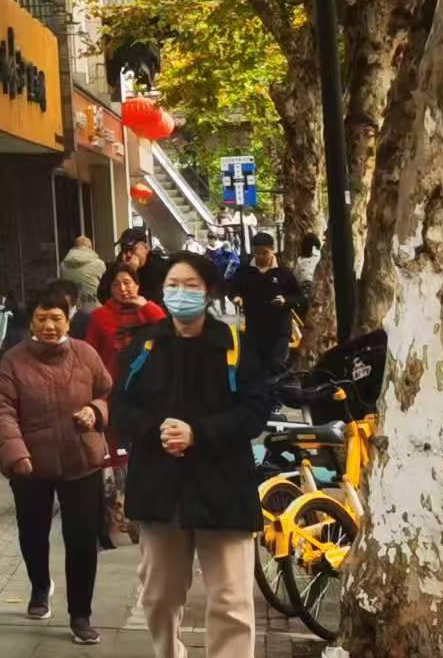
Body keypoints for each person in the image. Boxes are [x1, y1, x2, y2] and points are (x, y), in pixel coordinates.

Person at [111, 253, 270, 658]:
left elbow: (255, 411)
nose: (180, 293)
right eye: (173, 285)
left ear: (209, 292)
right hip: (160, 489)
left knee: (231, 602)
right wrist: (157, 430)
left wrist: (199, 433)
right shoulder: (145, 345)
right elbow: (119, 407)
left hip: (224, 488)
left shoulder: (234, 345)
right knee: (159, 596)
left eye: (191, 286)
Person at [0, 286, 115, 644]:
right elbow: (2, 408)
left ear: (68, 320)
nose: (49, 325)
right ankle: (40, 586)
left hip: (81, 461)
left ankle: (80, 615)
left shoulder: (86, 355)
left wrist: (95, 411)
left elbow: (107, 392)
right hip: (31, 465)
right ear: (31, 322)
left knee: (82, 539)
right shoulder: (13, 361)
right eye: (41, 318)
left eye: (56, 318)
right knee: (32, 531)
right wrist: (16, 451)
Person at [226, 232, 309, 374]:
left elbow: (299, 296)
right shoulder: (245, 270)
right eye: (256, 253)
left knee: (275, 366)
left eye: (264, 253)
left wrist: (285, 300)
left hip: (279, 329)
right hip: (254, 328)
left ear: (272, 250)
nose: (260, 256)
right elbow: (232, 288)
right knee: (253, 369)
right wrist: (236, 297)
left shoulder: (283, 271)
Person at [84, 263, 165, 378]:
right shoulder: (98, 316)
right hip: (111, 381)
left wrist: (146, 306)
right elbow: (89, 355)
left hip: (147, 379)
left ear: (137, 285)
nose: (122, 289)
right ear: (111, 289)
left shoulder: (148, 311)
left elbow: (165, 330)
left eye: (127, 283)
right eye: (116, 285)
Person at [118, 231, 172, 303]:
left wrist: (132, 273)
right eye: (124, 249)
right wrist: (124, 270)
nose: (128, 254)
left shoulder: (160, 267)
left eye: (132, 249)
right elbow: (104, 293)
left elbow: (154, 300)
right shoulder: (120, 263)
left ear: (146, 248)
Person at [59, 234, 108, 308]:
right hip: (94, 308)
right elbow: (106, 287)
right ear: (90, 247)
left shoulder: (63, 265)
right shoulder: (99, 264)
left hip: (73, 309)